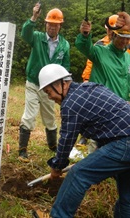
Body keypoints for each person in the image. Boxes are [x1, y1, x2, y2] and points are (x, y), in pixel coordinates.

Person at [38, 63, 130, 217]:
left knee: (78, 174)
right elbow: (104, 119)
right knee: (127, 197)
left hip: (124, 142)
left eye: (49, 92)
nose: (50, 97)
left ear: (63, 83)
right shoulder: (90, 88)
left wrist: (57, 166)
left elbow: (67, 139)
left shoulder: (71, 104)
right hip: (123, 140)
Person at [18, 3, 70, 162]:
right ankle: (22, 150)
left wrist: (65, 86)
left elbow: (65, 67)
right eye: (49, 24)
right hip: (33, 84)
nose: (52, 28)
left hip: (51, 88)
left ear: (60, 26)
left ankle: (53, 145)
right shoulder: (37, 37)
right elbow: (25, 34)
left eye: (55, 25)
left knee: (50, 117)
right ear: (45, 24)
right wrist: (33, 16)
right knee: (30, 115)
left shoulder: (64, 45)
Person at [76, 12, 130, 101]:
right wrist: (85, 34)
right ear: (113, 35)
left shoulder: (128, 58)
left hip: (121, 106)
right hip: (102, 104)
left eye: (127, 38)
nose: (124, 41)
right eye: (121, 37)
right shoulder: (99, 52)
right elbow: (84, 46)